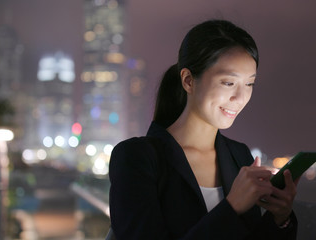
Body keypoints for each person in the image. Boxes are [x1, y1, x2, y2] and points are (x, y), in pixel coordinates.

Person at [108, 19, 298, 239]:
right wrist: (232, 206)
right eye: (228, 83)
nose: (240, 97)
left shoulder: (239, 156)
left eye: (249, 84)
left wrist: (280, 218)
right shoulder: (137, 157)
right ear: (188, 80)